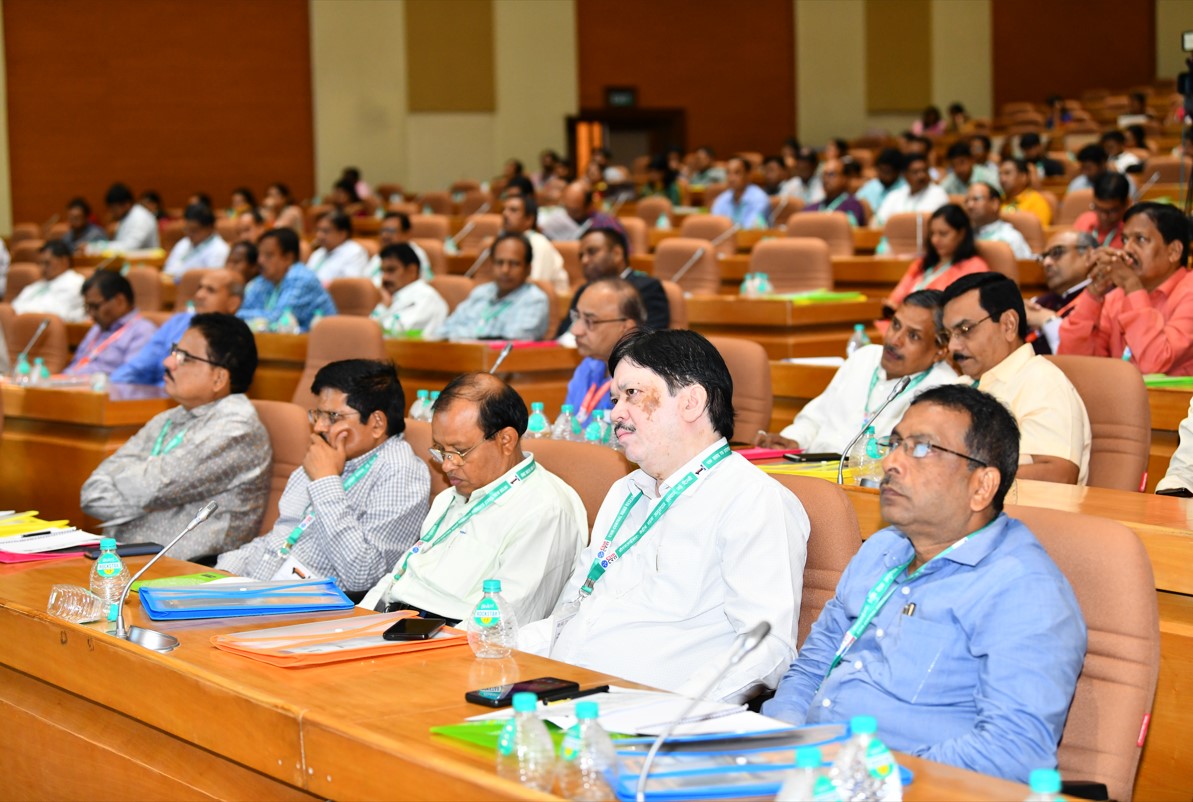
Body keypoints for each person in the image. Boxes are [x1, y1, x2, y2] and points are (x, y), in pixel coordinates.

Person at [763, 384, 1085, 784]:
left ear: (981, 486)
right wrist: (783, 742)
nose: (892, 462)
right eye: (895, 443)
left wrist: (865, 775)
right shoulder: (882, 549)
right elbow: (810, 669)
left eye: (921, 448)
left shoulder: (1024, 589)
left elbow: (1014, 753)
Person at [521, 329, 810, 702]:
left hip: (652, 718)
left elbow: (766, 650)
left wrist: (675, 714)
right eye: (615, 398)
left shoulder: (752, 499)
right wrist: (487, 645)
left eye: (632, 394)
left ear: (692, 402)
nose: (616, 413)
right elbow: (571, 613)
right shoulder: (625, 492)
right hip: (561, 691)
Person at [360, 372, 587, 623]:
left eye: (459, 451)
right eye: (441, 450)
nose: (446, 466)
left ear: (506, 440)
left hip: (446, 639)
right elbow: (399, 575)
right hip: (393, 623)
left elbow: (505, 618)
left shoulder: (544, 510)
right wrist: (359, 622)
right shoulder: (450, 497)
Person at [216, 359, 429, 591]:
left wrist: (326, 481)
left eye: (333, 417)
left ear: (376, 424)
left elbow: (363, 574)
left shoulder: (401, 472)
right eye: (318, 415)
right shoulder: (329, 453)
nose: (319, 427)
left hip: (316, 611)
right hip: (259, 590)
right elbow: (280, 536)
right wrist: (222, 574)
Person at [80, 314, 272, 560]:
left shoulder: (235, 428)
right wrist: (147, 484)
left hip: (190, 572)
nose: (168, 362)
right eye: (174, 351)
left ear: (219, 378)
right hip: (131, 556)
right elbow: (92, 492)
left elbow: (153, 489)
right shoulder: (171, 417)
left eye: (185, 357)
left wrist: (138, 483)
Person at [756, 291, 959, 451]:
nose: (895, 340)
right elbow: (814, 419)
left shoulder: (944, 391)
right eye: (895, 325)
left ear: (940, 350)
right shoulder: (864, 357)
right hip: (815, 472)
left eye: (913, 336)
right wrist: (793, 439)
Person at [942, 272, 1090, 484]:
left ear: (1008, 324)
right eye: (949, 334)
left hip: (1026, 516)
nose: (953, 347)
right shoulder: (960, 386)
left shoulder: (1042, 381)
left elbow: (1060, 475)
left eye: (965, 330)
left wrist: (966, 480)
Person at [1059, 202, 1193, 375]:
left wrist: (1132, 286)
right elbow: (1074, 363)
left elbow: (1154, 364)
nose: (1127, 249)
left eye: (1141, 239)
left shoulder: (1188, 292)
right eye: (1124, 239)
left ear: (1174, 251)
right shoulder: (1117, 297)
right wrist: (1094, 293)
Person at [112, 269, 244, 385]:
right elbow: (141, 364)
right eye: (199, 288)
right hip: (150, 394)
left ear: (233, 303)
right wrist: (112, 385)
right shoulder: (178, 321)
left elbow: (197, 386)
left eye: (210, 290)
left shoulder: (233, 336)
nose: (199, 295)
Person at [557, 227, 669, 337]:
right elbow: (564, 332)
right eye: (581, 255)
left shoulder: (647, 288)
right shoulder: (584, 290)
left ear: (617, 254)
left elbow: (650, 340)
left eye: (592, 252)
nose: (584, 260)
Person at [437, 232, 549, 341]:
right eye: (499, 263)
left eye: (514, 264)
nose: (505, 270)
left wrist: (461, 337)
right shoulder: (480, 293)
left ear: (528, 269)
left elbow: (511, 343)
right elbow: (443, 331)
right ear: (491, 265)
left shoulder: (534, 300)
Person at [564, 277, 645, 425]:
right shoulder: (587, 366)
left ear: (626, 327)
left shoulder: (642, 380)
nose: (575, 330)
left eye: (590, 321)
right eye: (576, 317)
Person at [886, 204, 988, 309]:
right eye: (932, 234)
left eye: (943, 234)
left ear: (961, 233)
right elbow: (894, 299)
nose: (935, 240)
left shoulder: (975, 267)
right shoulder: (922, 262)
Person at [237, 228, 337, 332]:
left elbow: (278, 317)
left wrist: (237, 314)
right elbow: (242, 311)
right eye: (259, 254)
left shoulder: (301, 278)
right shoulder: (264, 279)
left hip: (321, 343)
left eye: (268, 255)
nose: (260, 261)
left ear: (288, 258)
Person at [65, 271, 157, 376]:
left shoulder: (143, 331)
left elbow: (130, 378)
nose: (91, 314)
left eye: (95, 306)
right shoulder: (97, 328)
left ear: (119, 301)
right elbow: (76, 363)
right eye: (87, 307)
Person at [1025, 231, 1096, 355]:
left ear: (1088, 255)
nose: (1046, 263)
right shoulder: (1036, 304)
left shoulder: (1102, 299)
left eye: (1056, 253)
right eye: (1043, 257)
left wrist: (1048, 320)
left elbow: (1078, 359)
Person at [371, 244, 449, 335]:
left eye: (391, 270)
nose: (384, 278)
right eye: (383, 271)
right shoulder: (391, 297)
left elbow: (396, 334)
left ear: (412, 270)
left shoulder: (426, 297)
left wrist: (383, 307)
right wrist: (384, 305)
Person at [501, 194, 569, 292]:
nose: (505, 214)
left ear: (529, 219)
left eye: (513, 210)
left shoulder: (538, 243)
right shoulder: (504, 242)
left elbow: (534, 286)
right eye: (504, 209)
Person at [10, 240, 87, 322]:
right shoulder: (37, 285)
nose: (42, 268)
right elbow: (13, 308)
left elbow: (57, 314)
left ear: (64, 261)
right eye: (40, 263)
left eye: (47, 263)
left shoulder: (75, 283)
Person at [872, 153, 948, 228]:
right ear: (904, 175)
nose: (922, 176)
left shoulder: (937, 193)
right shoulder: (895, 195)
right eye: (915, 172)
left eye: (925, 171)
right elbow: (878, 222)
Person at [163, 203, 231, 281]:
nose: (189, 234)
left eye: (193, 230)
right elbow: (167, 270)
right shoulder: (184, 242)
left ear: (210, 228)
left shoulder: (220, 250)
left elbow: (212, 281)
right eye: (186, 229)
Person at [538, 182, 626, 242]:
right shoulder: (560, 217)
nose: (569, 214)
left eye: (574, 210)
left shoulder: (606, 224)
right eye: (566, 208)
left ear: (589, 206)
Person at [964, 182, 1033, 260]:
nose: (970, 205)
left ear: (994, 203)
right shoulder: (962, 236)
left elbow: (1025, 269)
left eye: (976, 199)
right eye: (966, 201)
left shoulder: (1011, 237)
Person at [366, 211, 431, 284]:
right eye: (382, 231)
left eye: (390, 231)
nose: (385, 235)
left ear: (407, 234)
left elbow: (421, 284)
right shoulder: (381, 254)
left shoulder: (416, 254)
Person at [308, 211, 370, 285]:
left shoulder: (355, 252)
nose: (319, 235)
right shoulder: (318, 253)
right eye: (318, 230)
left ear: (342, 233)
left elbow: (350, 286)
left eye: (325, 231)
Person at [1071, 172, 1130, 249]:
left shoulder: (1130, 231)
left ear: (1126, 204)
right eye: (1098, 208)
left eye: (1111, 211)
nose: (1104, 216)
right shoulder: (1084, 221)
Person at [802, 158, 867, 226]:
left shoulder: (852, 205)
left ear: (844, 179)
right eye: (823, 175)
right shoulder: (811, 208)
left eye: (831, 174)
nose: (825, 179)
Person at [711, 156, 771, 229]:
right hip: (727, 239)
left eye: (737, 173)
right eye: (728, 173)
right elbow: (715, 227)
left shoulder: (759, 199)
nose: (731, 178)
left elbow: (751, 229)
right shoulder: (722, 199)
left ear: (748, 175)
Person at [104, 183, 160, 251]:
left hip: (147, 260)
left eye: (114, 208)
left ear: (126, 204)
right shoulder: (127, 217)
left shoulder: (141, 218)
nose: (112, 212)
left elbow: (130, 247)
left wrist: (101, 247)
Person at [999, 159, 1052, 226]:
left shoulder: (1036, 202)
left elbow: (1039, 233)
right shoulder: (996, 201)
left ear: (1023, 177)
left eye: (1007, 173)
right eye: (1000, 174)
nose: (1002, 179)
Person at [856, 148, 907, 216]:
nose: (882, 175)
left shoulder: (906, 188)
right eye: (880, 170)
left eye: (887, 172)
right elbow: (856, 203)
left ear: (898, 172)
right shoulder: (872, 185)